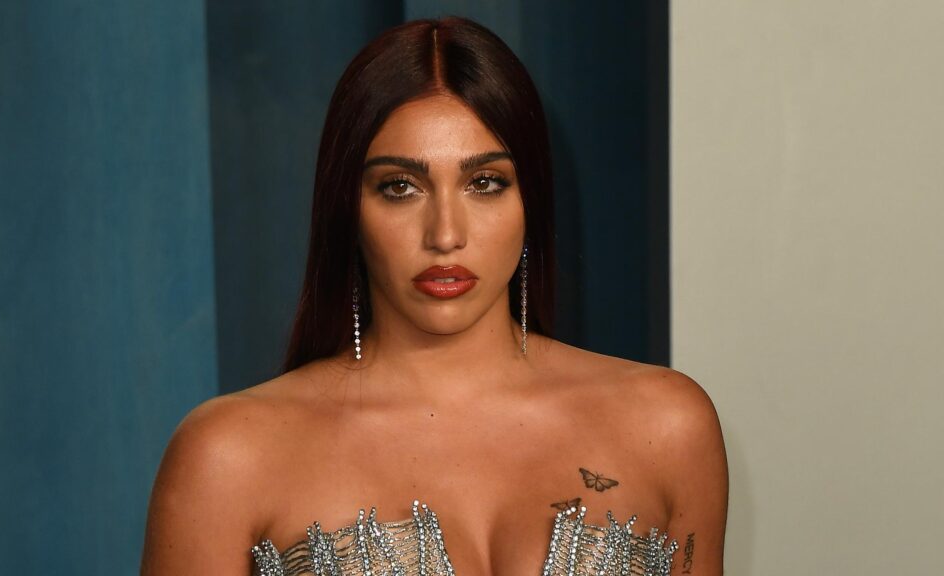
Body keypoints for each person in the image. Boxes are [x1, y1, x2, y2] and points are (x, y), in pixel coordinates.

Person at [140, 16, 727, 576]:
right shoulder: (230, 456)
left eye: (485, 183)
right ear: (348, 209)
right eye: (401, 187)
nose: (445, 234)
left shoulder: (667, 427)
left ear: (531, 199)